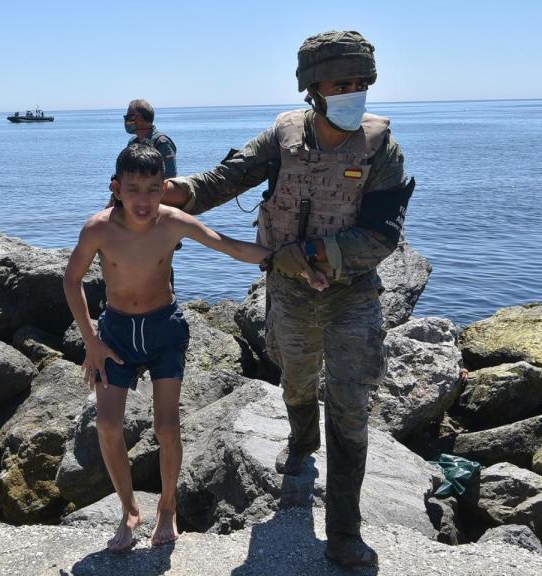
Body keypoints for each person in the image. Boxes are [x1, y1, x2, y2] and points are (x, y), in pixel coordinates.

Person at [160, 30, 415, 568]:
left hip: (351, 294)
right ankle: (302, 441)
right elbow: (223, 180)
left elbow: (382, 235)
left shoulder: (382, 149)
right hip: (289, 290)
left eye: (360, 82)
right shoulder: (282, 138)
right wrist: (170, 193)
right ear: (312, 89)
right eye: (340, 83)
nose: (352, 92)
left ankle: (344, 530)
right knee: (296, 378)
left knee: (350, 406)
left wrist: (312, 252)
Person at [64, 143, 324, 554]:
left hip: (164, 330)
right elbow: (71, 279)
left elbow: (231, 246)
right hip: (115, 334)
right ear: (117, 188)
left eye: (153, 189)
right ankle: (129, 511)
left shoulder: (173, 222)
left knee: (167, 427)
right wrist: (91, 341)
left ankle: (167, 508)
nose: (144, 200)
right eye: (133, 190)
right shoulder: (98, 229)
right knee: (108, 426)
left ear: (164, 188)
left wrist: (291, 263)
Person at [124, 99, 177, 177]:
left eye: (130, 116)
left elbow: (170, 177)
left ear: (141, 118)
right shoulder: (132, 142)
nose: (126, 119)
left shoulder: (161, 143)